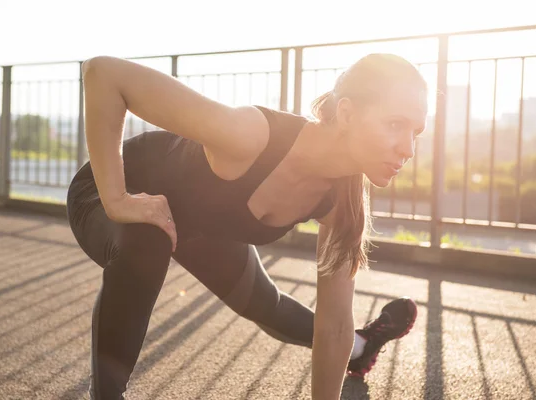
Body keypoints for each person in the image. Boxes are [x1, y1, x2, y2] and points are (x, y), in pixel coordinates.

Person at [66, 52, 425, 400]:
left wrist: (348, 344)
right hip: (104, 195)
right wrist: (118, 200)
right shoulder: (251, 136)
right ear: (346, 113)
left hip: (199, 225)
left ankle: (362, 349)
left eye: (417, 132)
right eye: (396, 124)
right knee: (148, 240)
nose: (408, 148)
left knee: (267, 306)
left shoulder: (343, 204)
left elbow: (334, 328)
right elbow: (103, 73)